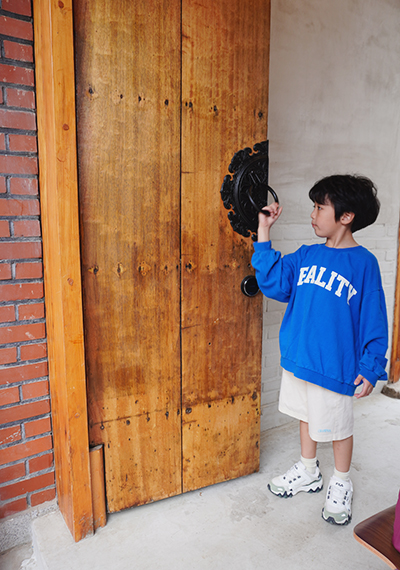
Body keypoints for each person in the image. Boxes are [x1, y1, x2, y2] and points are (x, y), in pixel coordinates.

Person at [252, 174, 388, 525]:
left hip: (335, 365)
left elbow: (374, 319)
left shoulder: (364, 264)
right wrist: (264, 229)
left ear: (346, 216)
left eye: (319, 207)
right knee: (306, 414)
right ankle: (308, 470)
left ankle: (341, 481)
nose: (312, 214)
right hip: (301, 360)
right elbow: (272, 282)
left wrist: (371, 366)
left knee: (338, 426)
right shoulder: (307, 255)